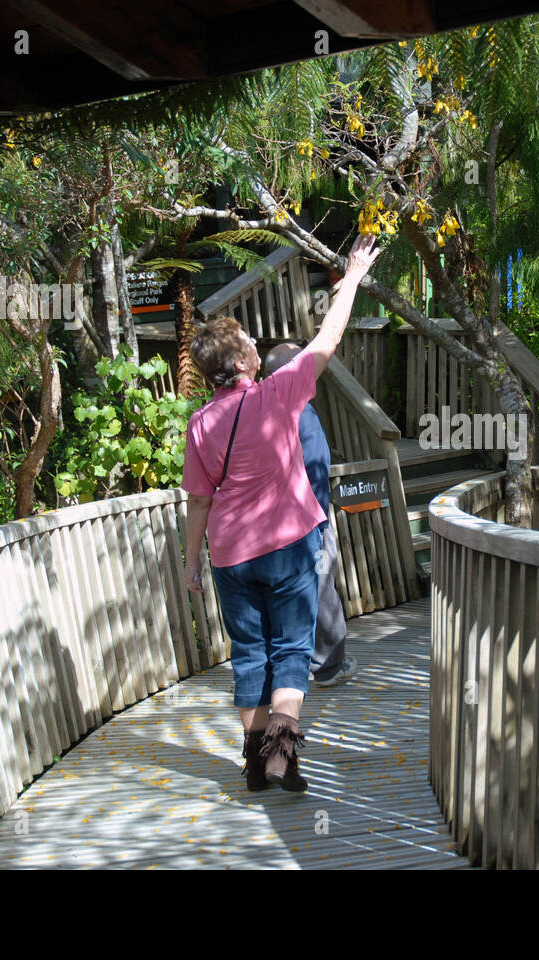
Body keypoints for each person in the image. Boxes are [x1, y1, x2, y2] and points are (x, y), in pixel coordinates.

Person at [180, 234, 382, 793]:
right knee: (292, 650)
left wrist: (191, 562)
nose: (253, 342)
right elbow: (327, 338)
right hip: (290, 544)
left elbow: (198, 500)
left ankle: (253, 760)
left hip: (230, 555)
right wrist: (353, 278)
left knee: (250, 654)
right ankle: (280, 760)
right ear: (245, 361)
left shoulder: (199, 425)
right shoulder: (280, 393)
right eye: (248, 339)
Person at [263, 342, 358, 689]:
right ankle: (329, 667)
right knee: (320, 589)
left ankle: (284, 667)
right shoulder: (303, 414)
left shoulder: (259, 411)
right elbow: (316, 474)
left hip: (268, 527)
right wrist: (318, 527)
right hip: (306, 522)